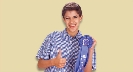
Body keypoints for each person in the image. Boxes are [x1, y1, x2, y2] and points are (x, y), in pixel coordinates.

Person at [36, 2, 96, 72]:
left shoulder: (86, 43)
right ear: (64, 19)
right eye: (68, 18)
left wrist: (91, 50)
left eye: (75, 17)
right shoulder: (52, 37)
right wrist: (53, 62)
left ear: (80, 18)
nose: (71, 22)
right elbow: (39, 64)